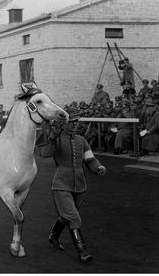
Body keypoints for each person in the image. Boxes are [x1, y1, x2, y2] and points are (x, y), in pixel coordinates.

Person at [41, 109, 106, 263]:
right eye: (72, 122)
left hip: (79, 185)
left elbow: (90, 160)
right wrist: (51, 138)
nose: (75, 125)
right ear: (63, 124)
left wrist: (98, 168)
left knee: (66, 216)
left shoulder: (81, 140)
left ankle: (54, 236)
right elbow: (45, 154)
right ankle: (82, 251)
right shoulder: (56, 138)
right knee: (74, 217)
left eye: (77, 122)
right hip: (61, 184)